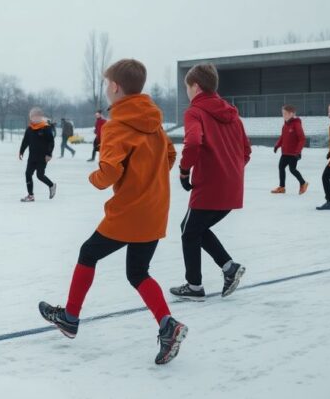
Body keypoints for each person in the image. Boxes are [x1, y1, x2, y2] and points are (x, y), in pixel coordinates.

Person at [39, 58, 187, 365]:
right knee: (138, 272)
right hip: (155, 209)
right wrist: (147, 178)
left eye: (107, 83)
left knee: (88, 253)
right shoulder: (154, 122)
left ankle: (69, 317)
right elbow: (170, 156)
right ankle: (167, 325)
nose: (107, 88)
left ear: (115, 87)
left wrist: (95, 177)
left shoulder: (117, 125)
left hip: (128, 213)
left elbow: (107, 173)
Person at [171, 63, 250, 301]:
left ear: (195, 86)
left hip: (209, 186)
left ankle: (194, 286)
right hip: (231, 187)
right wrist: (230, 172)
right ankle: (229, 268)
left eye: (187, 86)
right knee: (194, 228)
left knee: (189, 231)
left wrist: (185, 171)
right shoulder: (232, 115)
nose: (187, 91)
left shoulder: (194, 112)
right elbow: (245, 151)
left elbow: (193, 142)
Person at [18, 108, 55, 202]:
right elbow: (25, 141)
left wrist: (49, 154)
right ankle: (30, 195)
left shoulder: (46, 127)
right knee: (28, 174)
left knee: (40, 175)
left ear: (40, 117)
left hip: (43, 157)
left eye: (36, 116)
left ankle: (51, 185)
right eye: (32, 117)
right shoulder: (30, 128)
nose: (34, 118)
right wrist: (21, 151)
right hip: (32, 156)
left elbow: (51, 142)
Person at [271, 104, 309, 194]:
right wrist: (277, 145)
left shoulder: (296, 124)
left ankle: (303, 183)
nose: (283, 115)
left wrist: (298, 152)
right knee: (281, 167)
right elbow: (282, 137)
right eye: (282, 113)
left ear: (291, 114)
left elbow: (302, 139)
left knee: (292, 169)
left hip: (293, 153)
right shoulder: (285, 125)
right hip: (285, 152)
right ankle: (282, 187)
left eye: (285, 113)